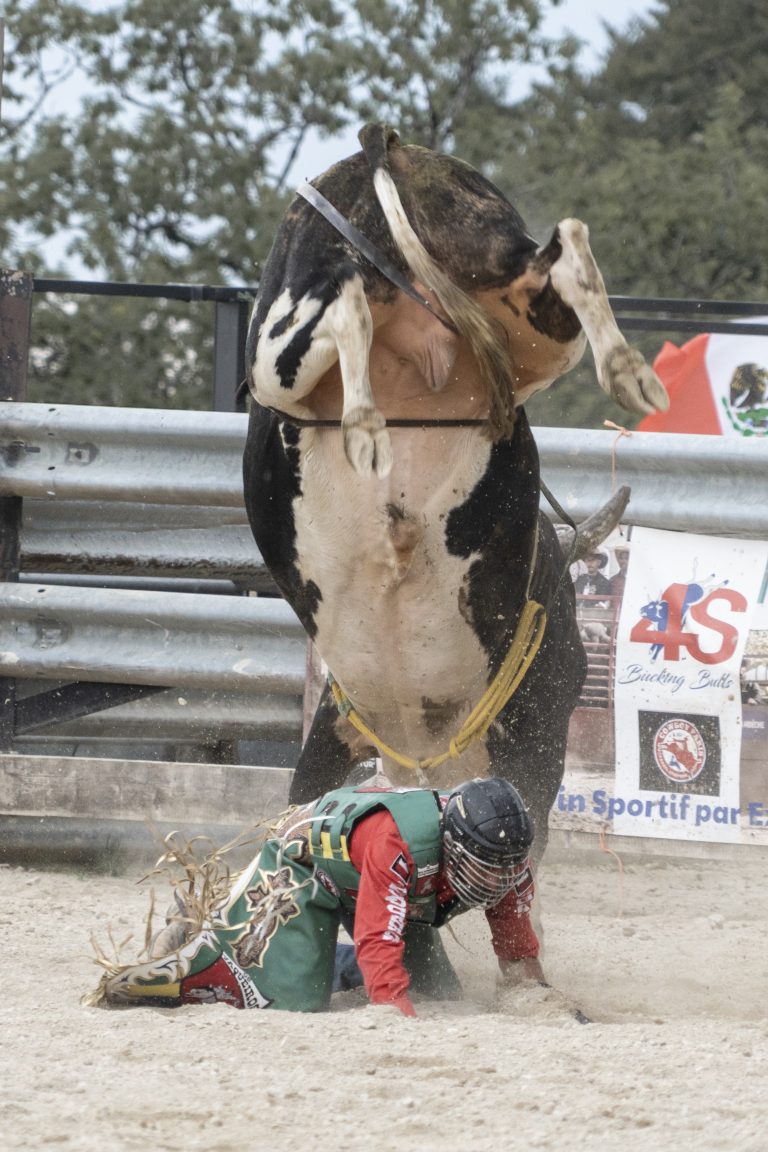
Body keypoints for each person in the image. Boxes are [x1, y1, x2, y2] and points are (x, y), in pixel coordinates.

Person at [91, 779, 544, 1016]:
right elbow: (377, 938)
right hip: (307, 864)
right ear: (453, 842)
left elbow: (518, 950)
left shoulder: (502, 858)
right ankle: (195, 941)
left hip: (378, 884)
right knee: (291, 1000)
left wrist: (539, 1001)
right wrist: (393, 1016)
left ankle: (321, 958)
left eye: (507, 867)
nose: (496, 880)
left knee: (437, 992)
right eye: (487, 866)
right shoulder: (398, 845)